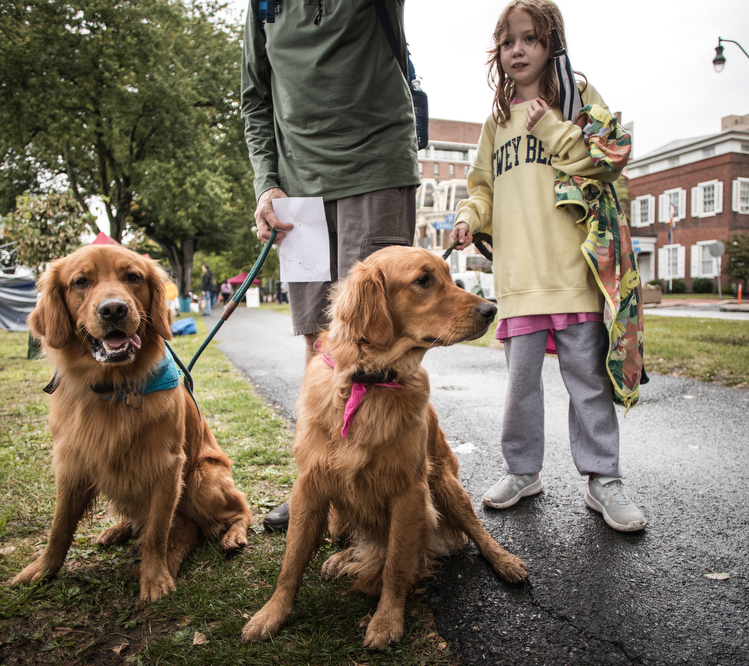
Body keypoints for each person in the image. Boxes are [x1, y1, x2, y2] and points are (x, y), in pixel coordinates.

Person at [449, 0, 646, 532]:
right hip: (517, 281)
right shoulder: (497, 120)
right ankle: (522, 471)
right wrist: (470, 216)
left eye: (531, 39)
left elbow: (607, 159)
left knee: (588, 384)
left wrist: (554, 128)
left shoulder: (580, 99)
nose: (518, 49)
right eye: (509, 41)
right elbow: (481, 186)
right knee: (520, 389)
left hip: (575, 276)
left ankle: (603, 478)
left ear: (552, 45)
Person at [241, 0, 420, 532]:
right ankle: (319, 483)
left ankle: (387, 480)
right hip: (298, 195)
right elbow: (255, 98)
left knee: (380, 334)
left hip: (376, 168)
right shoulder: (263, 3)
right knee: (320, 343)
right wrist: (266, 183)